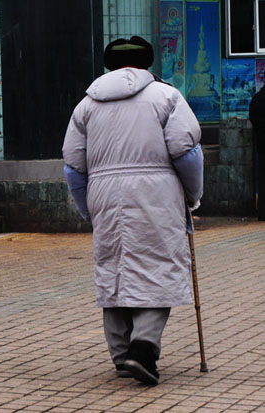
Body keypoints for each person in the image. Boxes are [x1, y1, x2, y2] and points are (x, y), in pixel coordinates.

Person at [62, 36, 203, 384]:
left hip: (104, 196)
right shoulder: (166, 96)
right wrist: (192, 195)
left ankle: (121, 354)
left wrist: (88, 209)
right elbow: (187, 153)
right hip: (156, 193)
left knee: (115, 268)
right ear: (147, 64)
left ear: (109, 65)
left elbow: (73, 168)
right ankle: (143, 349)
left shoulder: (86, 106)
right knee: (158, 266)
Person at [249, 84, 265, 221]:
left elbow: (252, 118)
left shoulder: (257, 99)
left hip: (261, 144)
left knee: (262, 180)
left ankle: (262, 212)